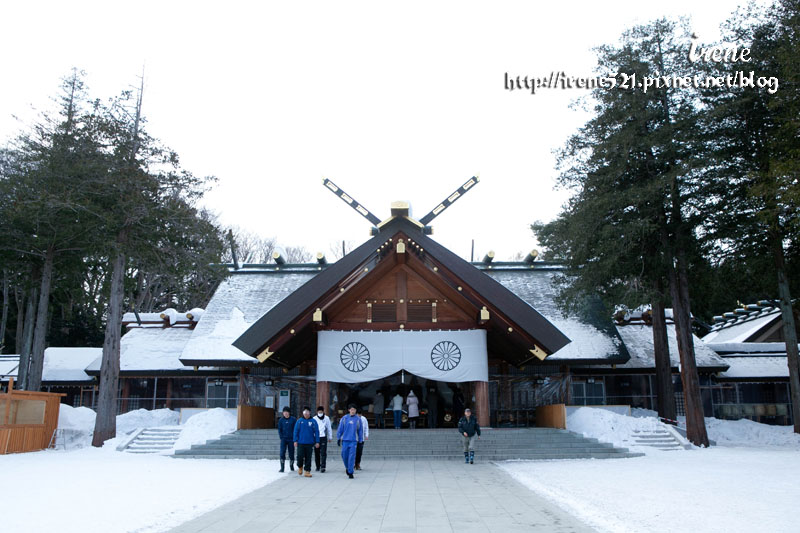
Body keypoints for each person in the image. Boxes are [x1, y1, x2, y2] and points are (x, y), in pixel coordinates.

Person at [336, 403, 363, 478]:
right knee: (344, 455)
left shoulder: (358, 419)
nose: (353, 411)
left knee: (351, 456)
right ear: (349, 410)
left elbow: (360, 430)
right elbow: (340, 429)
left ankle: (350, 472)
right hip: (345, 440)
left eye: (354, 409)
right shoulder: (344, 418)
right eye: (351, 409)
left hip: (353, 441)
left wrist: (360, 440)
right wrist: (338, 438)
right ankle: (347, 467)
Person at [293, 406, 320, 477]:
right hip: (300, 442)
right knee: (299, 456)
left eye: (307, 412)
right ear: (303, 413)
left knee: (308, 457)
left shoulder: (313, 421)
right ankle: (300, 466)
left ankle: (307, 471)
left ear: (310, 413)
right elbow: (296, 431)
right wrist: (295, 440)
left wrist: (317, 441)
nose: (306, 414)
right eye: (305, 412)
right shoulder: (299, 421)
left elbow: (316, 432)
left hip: (310, 442)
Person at [313, 406, 332, 473]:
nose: (320, 413)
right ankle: (317, 466)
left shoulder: (326, 418)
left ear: (323, 412)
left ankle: (323, 466)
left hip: (323, 437)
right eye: (319, 412)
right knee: (317, 452)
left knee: (323, 453)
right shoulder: (314, 418)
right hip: (316, 437)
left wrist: (330, 437)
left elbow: (329, 428)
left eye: (321, 412)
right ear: (317, 412)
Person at [277, 406, 296, 472]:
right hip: (284, 439)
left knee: (291, 453)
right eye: (284, 412)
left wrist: (295, 438)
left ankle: (291, 466)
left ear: (289, 413)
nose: (285, 413)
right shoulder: (281, 420)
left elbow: (295, 429)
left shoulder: (293, 419)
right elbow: (279, 429)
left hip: (291, 439)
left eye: (287, 412)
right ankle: (282, 467)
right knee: (282, 453)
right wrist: (281, 437)